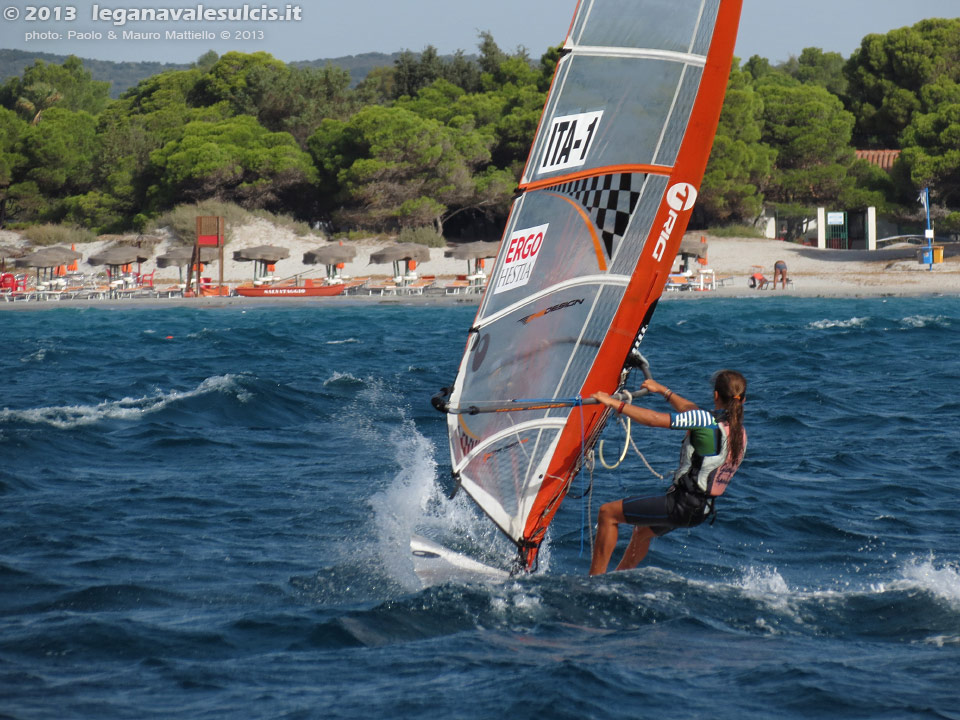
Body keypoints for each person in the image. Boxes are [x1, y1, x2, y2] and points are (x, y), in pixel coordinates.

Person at [588, 370, 748, 575]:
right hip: (702, 510)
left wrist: (614, 403)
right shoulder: (737, 432)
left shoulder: (703, 421)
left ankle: (593, 580)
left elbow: (654, 419)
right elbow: (691, 410)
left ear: (715, 395)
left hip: (681, 504)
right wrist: (663, 390)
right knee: (642, 532)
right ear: (742, 400)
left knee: (607, 513)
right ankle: (618, 578)